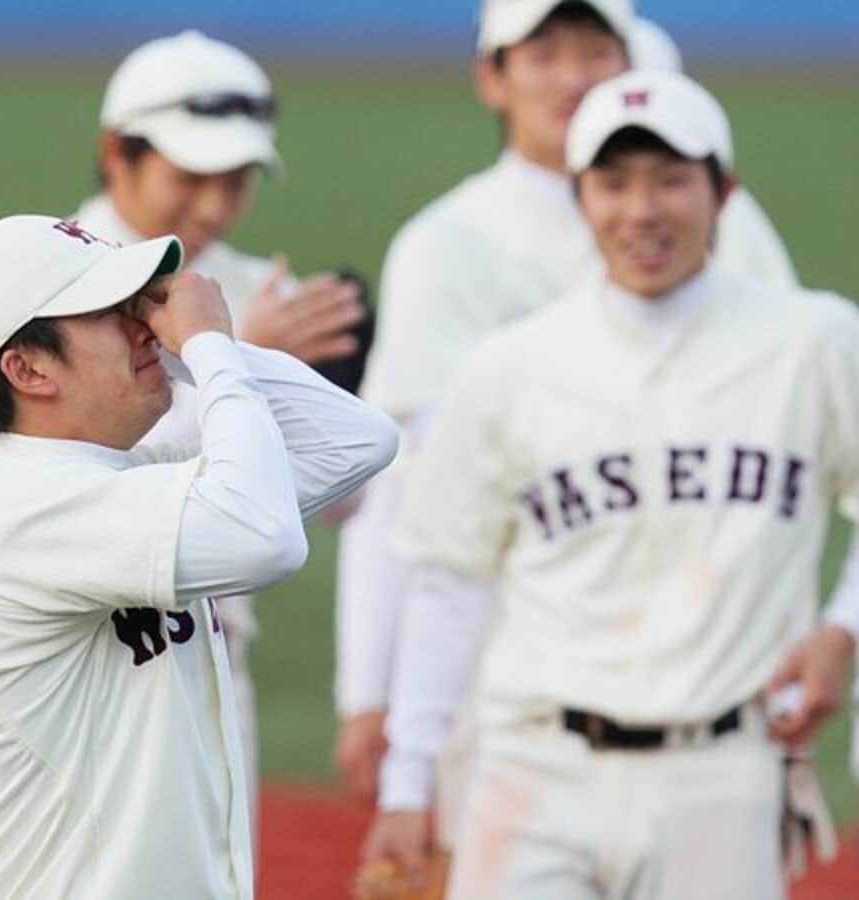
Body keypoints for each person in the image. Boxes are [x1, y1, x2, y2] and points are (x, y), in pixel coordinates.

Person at [373, 68, 858, 899]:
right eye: (613, 182)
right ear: (577, 196)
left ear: (725, 192)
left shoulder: (814, 342)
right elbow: (448, 581)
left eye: (671, 180)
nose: (642, 211)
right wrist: (407, 784)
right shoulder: (507, 368)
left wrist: (842, 630)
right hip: (533, 769)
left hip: (722, 776)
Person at [335, 0, 798, 818]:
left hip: (707, 673)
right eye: (543, 53)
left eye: (595, 49)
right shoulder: (448, 244)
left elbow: (784, 439)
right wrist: (372, 691)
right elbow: (416, 495)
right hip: (513, 682)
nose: (574, 76)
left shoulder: (728, 223)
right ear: (493, 76)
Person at [0, 214, 397, 899]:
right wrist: (205, 346)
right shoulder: (11, 511)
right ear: (26, 367)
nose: (146, 322)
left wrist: (181, 349)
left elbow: (359, 440)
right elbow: (268, 537)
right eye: (111, 312)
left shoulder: (112, 481)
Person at [73, 29, 369, 814]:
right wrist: (237, 362)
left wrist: (332, 387)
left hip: (212, 655)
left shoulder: (254, 287)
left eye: (236, 179)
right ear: (116, 153)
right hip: (71, 657)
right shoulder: (37, 286)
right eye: (192, 173)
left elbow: (342, 504)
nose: (213, 205)